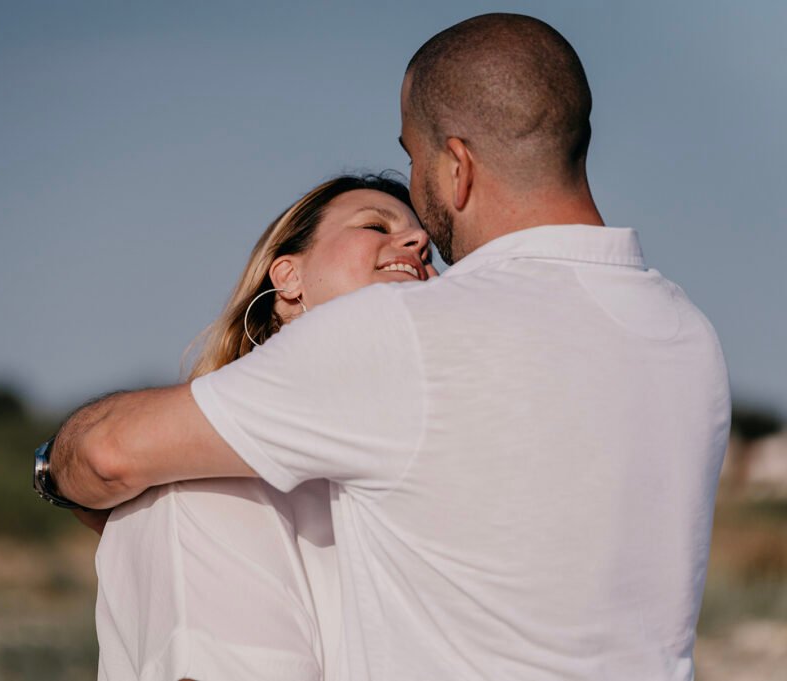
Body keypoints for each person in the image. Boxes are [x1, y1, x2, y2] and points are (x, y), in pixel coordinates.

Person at [44, 13, 730, 681]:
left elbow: (105, 452)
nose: (413, 240)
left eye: (413, 157)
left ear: (456, 167)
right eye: (375, 223)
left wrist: (53, 468)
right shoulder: (688, 337)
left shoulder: (403, 337)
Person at [91, 174, 434, 681]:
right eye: (374, 225)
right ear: (289, 279)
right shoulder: (198, 478)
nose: (419, 243)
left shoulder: (434, 461)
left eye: (429, 252)